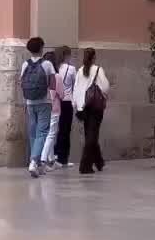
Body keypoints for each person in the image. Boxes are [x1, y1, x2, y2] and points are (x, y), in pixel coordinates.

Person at [20, 37, 54, 177]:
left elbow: (21, 82)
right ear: (41, 48)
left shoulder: (25, 64)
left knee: (33, 133)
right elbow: (52, 84)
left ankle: (38, 164)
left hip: (29, 102)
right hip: (44, 102)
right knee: (42, 132)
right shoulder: (47, 64)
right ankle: (34, 162)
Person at [73, 47, 110, 175]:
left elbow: (76, 89)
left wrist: (77, 105)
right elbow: (105, 87)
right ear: (94, 57)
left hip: (83, 107)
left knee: (90, 134)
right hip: (94, 107)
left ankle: (99, 161)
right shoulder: (98, 70)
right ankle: (85, 165)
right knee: (92, 136)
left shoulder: (79, 71)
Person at [41, 46, 73, 168]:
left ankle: (50, 159)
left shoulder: (44, 77)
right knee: (51, 134)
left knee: (46, 133)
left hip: (43, 107)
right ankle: (44, 160)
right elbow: (61, 93)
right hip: (54, 108)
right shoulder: (56, 77)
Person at [52, 46, 77, 169]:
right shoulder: (71, 69)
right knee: (65, 130)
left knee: (54, 130)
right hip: (67, 101)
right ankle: (63, 158)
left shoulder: (55, 68)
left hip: (55, 101)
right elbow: (74, 85)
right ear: (67, 55)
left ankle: (54, 155)